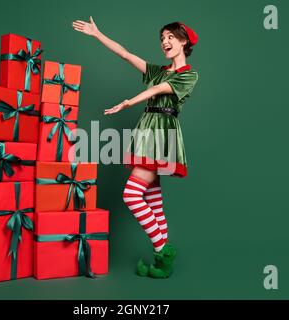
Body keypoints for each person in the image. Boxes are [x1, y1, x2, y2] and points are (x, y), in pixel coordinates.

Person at [72, 17, 199, 278]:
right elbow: (126, 55)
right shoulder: (158, 70)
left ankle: (163, 251)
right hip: (147, 131)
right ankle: (161, 262)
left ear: (184, 41)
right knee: (152, 197)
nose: (165, 41)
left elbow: (160, 90)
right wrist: (98, 34)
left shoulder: (189, 75)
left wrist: (129, 102)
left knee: (131, 195)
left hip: (162, 134)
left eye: (170, 37)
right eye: (162, 38)